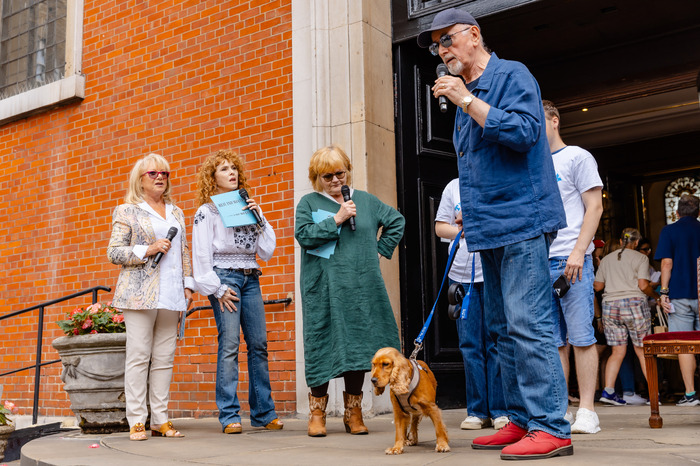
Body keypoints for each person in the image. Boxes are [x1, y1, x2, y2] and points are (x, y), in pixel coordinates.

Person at [418, 7, 572, 460]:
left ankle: (551, 427)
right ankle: (522, 420)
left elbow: (526, 133)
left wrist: (466, 100)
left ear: (474, 35)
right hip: (487, 230)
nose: (440, 51)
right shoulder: (465, 96)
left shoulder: (511, 76)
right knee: (502, 330)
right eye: (435, 45)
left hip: (523, 222)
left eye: (446, 40)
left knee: (530, 325)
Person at [295, 144, 405, 437]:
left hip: (360, 287)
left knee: (357, 345)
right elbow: (304, 236)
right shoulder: (308, 203)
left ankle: (353, 412)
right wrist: (338, 218)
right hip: (324, 289)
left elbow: (396, 221)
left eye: (339, 173)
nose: (335, 181)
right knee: (321, 344)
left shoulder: (366, 201)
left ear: (348, 171)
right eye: (326, 176)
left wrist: (379, 251)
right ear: (316, 177)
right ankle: (317, 414)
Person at [192, 150, 283, 434]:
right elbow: (201, 255)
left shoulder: (248, 207)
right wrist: (217, 289)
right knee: (230, 345)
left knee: (259, 345)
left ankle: (264, 413)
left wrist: (259, 218)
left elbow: (266, 250)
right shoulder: (206, 212)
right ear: (212, 178)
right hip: (224, 279)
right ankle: (229, 414)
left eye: (234, 168)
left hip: (251, 276)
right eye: (223, 169)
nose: (231, 173)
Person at [107, 153, 194, 441]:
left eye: (165, 174)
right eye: (153, 173)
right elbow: (114, 252)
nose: (160, 177)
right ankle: (136, 420)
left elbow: (183, 251)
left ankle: (160, 419)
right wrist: (148, 248)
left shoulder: (176, 212)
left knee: (165, 358)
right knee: (139, 356)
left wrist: (188, 285)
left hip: (171, 293)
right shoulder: (128, 210)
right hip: (139, 295)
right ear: (140, 180)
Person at [542, 100, 604, 434]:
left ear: (553, 120)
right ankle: (560, 409)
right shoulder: (530, 164)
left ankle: (587, 411)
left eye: (537, 119)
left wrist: (579, 252)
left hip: (572, 261)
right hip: (539, 263)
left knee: (581, 337)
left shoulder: (577, 156)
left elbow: (594, 207)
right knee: (554, 342)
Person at [435, 178, 508, 431]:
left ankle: (500, 410)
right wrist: (464, 230)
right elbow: (440, 227)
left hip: (492, 274)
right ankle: (477, 411)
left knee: (495, 342)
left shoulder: (494, 181)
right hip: (461, 277)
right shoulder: (452, 186)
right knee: (469, 345)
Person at [593, 228, 658, 405]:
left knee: (617, 351)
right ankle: (653, 394)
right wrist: (657, 297)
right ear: (636, 243)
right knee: (642, 350)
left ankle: (608, 392)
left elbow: (597, 286)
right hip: (634, 304)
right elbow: (643, 286)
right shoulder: (641, 258)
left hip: (610, 306)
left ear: (621, 241)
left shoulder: (606, 260)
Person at [654, 193, 700, 406]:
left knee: (684, 345)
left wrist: (663, 292)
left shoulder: (669, 231)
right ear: (698, 213)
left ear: (677, 212)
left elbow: (666, 264)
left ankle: (690, 394)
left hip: (680, 294)